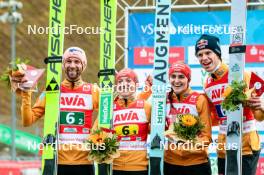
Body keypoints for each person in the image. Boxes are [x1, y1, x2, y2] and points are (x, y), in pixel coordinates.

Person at [11, 47, 99, 175]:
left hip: (85, 162)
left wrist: (95, 134)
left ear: (83, 65)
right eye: (68, 61)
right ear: (63, 65)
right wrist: (26, 95)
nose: (72, 65)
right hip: (56, 161)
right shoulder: (52, 92)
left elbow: (107, 114)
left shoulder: (93, 90)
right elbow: (27, 121)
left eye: (77, 61)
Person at [195, 34, 264, 175]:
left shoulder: (242, 74)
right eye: (200, 54)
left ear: (218, 53)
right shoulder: (207, 84)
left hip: (246, 147)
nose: (204, 58)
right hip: (223, 148)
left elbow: (259, 116)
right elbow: (215, 118)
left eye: (208, 53)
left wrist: (262, 107)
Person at [139, 62, 212, 175]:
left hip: (197, 163)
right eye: (173, 76)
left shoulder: (199, 99)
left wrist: (186, 145)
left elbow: (206, 137)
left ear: (188, 79)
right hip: (171, 163)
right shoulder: (164, 99)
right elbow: (138, 107)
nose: (176, 81)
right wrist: (148, 87)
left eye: (181, 76)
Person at [93, 68, 151, 175]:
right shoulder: (108, 108)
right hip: (114, 167)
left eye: (128, 81)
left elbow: (157, 129)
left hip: (139, 167)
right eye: (120, 81)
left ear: (137, 85)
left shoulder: (146, 107)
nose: (124, 84)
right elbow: (95, 133)